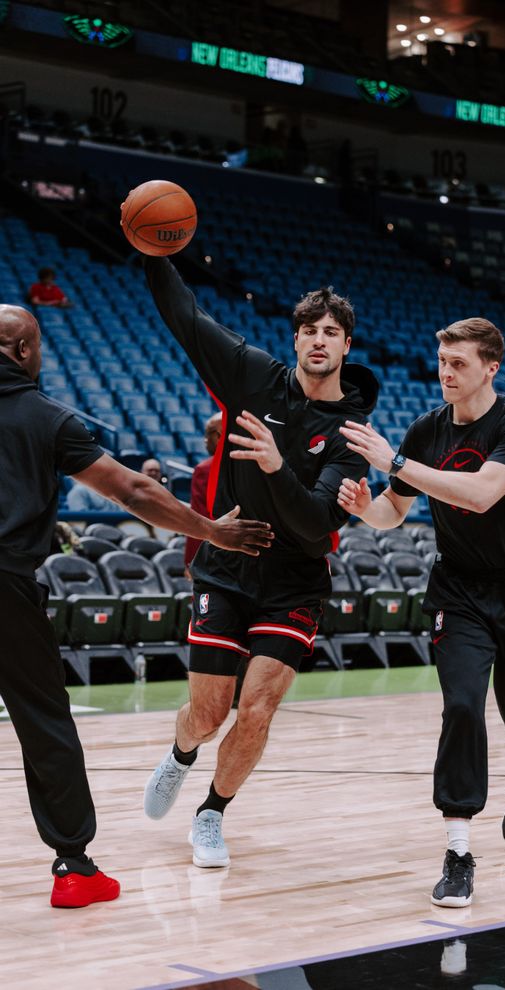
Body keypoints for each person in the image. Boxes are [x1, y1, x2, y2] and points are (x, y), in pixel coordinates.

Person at [0, 303, 273, 908]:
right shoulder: (46, 417)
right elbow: (132, 488)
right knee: (44, 723)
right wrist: (211, 529)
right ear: (23, 351)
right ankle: (74, 869)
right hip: (6, 587)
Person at [140, 253, 377, 869]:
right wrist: (155, 256)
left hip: (295, 581)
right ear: (295, 339)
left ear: (346, 345)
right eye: (310, 330)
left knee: (257, 708)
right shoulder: (252, 375)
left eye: (331, 332)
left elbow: (317, 522)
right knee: (208, 714)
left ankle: (212, 813)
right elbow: (188, 319)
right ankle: (182, 752)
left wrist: (275, 466)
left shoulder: (353, 434)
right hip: (226, 569)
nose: (319, 340)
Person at [338, 317, 505, 908]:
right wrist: (365, 508)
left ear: (491, 367)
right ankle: (458, 851)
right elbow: (394, 513)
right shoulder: (426, 430)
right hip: (458, 592)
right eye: (441, 361)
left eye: (459, 363)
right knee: (461, 705)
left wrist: (394, 463)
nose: (445, 373)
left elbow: (482, 494)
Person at [184, 412, 224, 573]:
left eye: (208, 433)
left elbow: (198, 519)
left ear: (219, 435)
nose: (205, 440)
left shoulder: (205, 469)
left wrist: (191, 561)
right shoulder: (257, 465)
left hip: (215, 556)